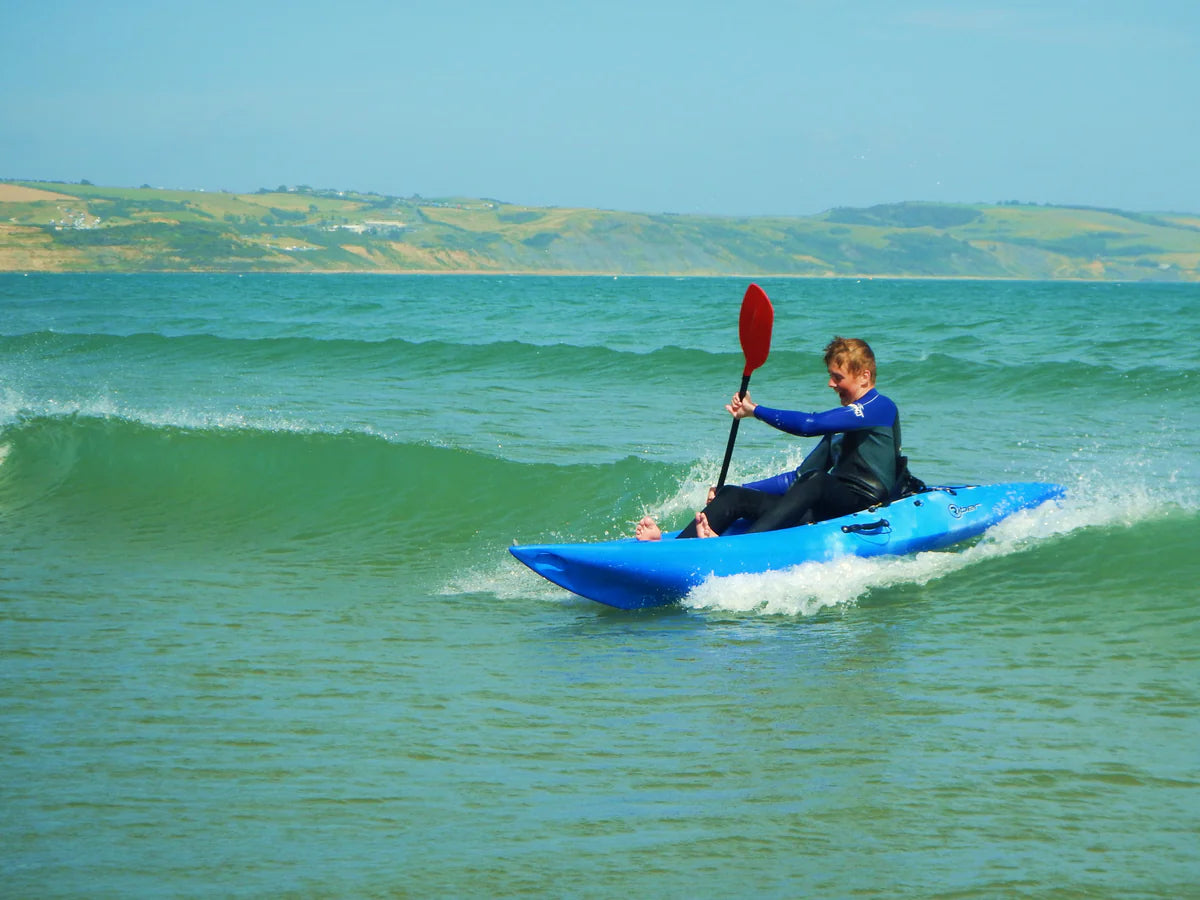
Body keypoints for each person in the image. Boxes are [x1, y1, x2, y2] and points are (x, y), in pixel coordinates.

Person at [636, 336, 904, 541]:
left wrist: (755, 411)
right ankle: (674, 546)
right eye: (830, 376)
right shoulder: (842, 422)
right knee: (733, 495)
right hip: (822, 504)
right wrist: (741, 487)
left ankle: (743, 547)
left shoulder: (881, 407)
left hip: (865, 502)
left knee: (818, 481)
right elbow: (799, 477)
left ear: (864, 376)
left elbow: (809, 425)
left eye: (838, 377)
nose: (831, 384)